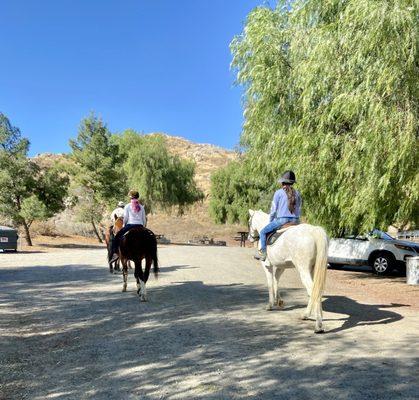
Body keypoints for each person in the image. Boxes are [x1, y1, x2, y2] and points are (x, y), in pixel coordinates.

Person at [257, 170, 302, 261]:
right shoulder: (298, 194)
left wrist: (271, 220)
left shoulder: (278, 193)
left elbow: (273, 210)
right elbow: (300, 209)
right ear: (292, 183)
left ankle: (264, 254)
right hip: (296, 221)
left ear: (282, 182)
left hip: (282, 221)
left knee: (262, 232)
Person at [110, 190, 147, 261]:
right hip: (140, 225)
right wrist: (143, 227)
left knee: (117, 237)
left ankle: (115, 254)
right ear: (137, 197)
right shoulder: (141, 207)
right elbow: (144, 219)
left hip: (130, 225)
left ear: (130, 198)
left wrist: (124, 225)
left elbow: (126, 218)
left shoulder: (127, 206)